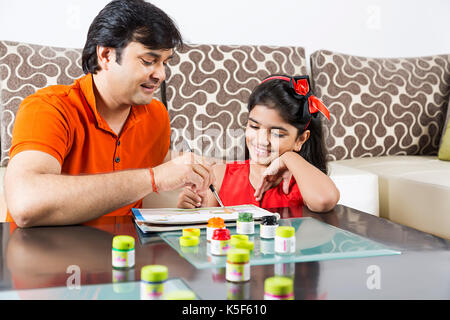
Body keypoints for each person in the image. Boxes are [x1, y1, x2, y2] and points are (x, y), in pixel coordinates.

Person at [4, 0, 215, 228]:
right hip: (43, 258)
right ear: (105, 55)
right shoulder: (49, 108)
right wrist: (154, 178)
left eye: (165, 62)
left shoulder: (156, 116)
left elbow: (165, 162)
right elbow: (26, 203)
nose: (161, 74)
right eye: (149, 61)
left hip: (123, 256)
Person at [177, 75, 340, 212]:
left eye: (277, 133)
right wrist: (189, 209)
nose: (262, 140)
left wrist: (289, 157)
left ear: (300, 140)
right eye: (254, 126)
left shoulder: (302, 184)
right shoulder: (220, 176)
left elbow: (324, 200)